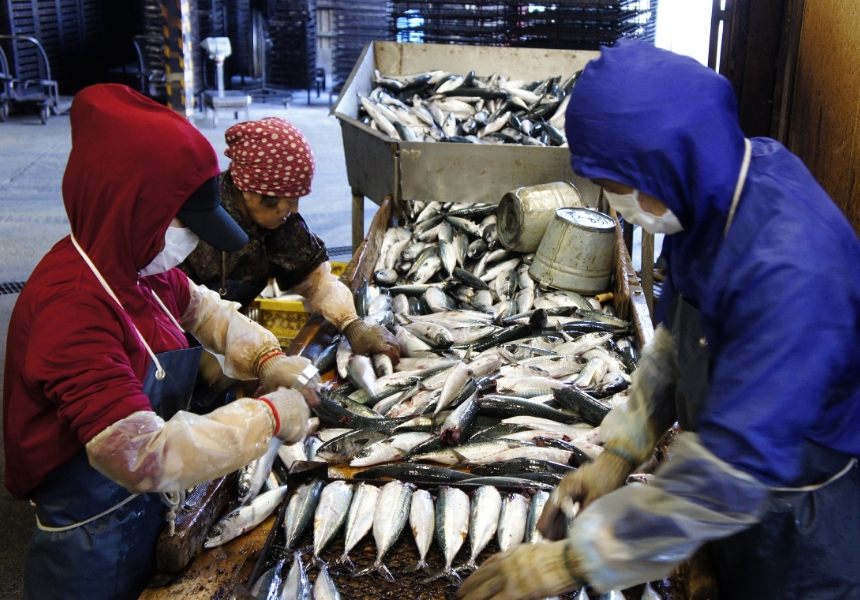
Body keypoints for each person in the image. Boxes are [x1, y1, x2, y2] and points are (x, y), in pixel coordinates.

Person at [459, 40, 860, 600]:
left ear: (666, 165)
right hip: (720, 497)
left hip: (799, 523)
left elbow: (733, 473)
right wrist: (621, 451)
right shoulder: (712, 192)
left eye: (618, 184)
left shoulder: (791, 269)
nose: (613, 200)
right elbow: (676, 342)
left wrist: (572, 562)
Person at [3, 84, 321, 600]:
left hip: (145, 505)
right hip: (88, 535)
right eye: (180, 224)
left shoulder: (139, 267)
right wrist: (268, 418)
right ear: (131, 211)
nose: (188, 241)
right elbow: (143, 454)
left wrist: (264, 357)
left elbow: (205, 310)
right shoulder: (71, 308)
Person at [178, 117, 400, 364]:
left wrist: (351, 323)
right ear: (252, 192)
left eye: (298, 198)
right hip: (168, 339)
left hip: (227, 338)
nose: (294, 209)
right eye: (286, 199)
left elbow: (317, 281)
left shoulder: (282, 225)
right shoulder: (193, 215)